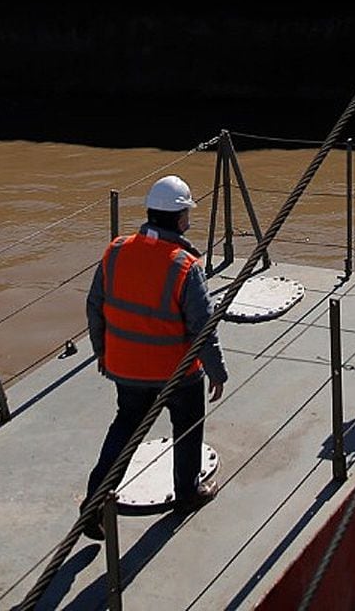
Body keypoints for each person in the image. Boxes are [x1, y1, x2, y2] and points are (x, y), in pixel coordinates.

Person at [81, 175, 228, 542]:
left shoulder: (115, 251)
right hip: (176, 374)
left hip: (126, 369)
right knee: (188, 428)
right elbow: (202, 328)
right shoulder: (184, 265)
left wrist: (102, 351)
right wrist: (217, 371)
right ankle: (187, 493)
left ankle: (94, 502)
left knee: (124, 428)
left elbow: (94, 305)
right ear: (180, 218)